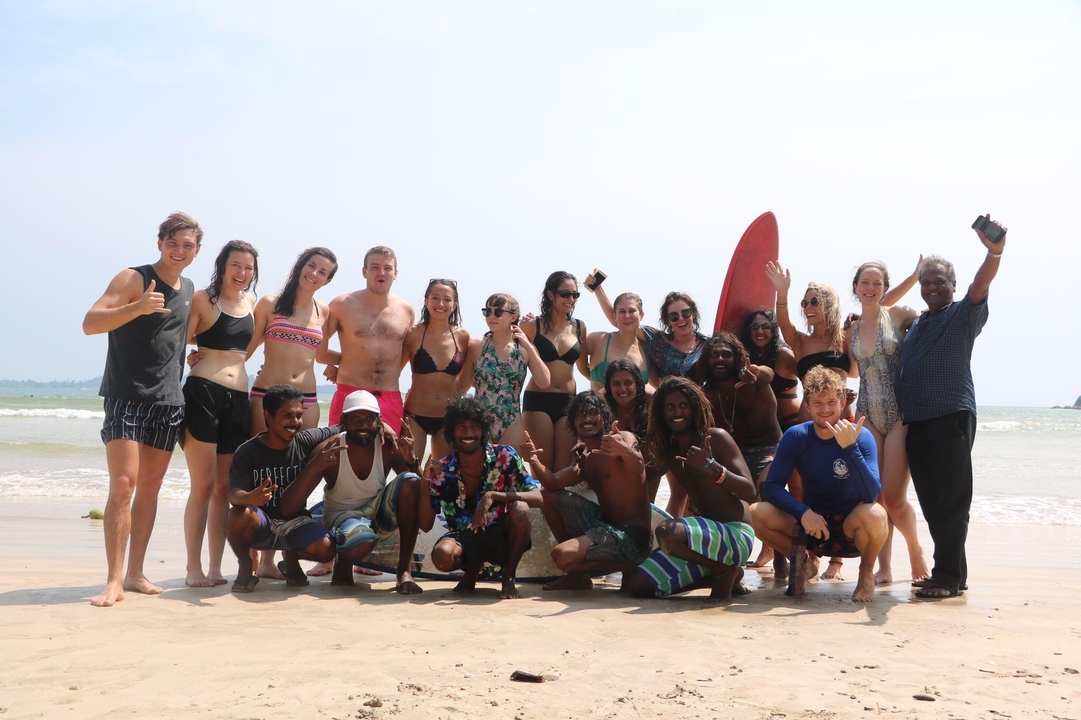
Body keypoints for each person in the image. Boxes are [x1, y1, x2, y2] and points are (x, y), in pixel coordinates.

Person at [82, 211, 202, 607]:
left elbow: (178, 337)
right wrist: (136, 307)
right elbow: (91, 322)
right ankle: (114, 580)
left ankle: (135, 573)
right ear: (160, 243)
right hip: (125, 394)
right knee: (123, 485)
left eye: (188, 245)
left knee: (150, 490)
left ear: (196, 250)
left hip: (169, 400)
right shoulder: (133, 278)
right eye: (173, 242)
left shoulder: (189, 288)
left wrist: (199, 358)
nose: (179, 250)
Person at [895, 216, 1006, 600]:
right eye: (926, 282)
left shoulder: (963, 314)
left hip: (950, 418)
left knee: (951, 501)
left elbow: (981, 285)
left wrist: (994, 251)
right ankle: (953, 573)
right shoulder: (918, 323)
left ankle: (945, 577)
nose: (931, 287)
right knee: (932, 502)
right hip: (917, 423)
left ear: (953, 286)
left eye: (938, 281)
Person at [752, 367, 888, 602]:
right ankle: (806, 564)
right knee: (755, 513)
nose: (825, 409)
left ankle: (865, 575)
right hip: (811, 526)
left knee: (876, 514)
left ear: (842, 402)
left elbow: (871, 493)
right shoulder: (796, 436)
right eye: (817, 403)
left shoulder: (861, 436)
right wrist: (803, 512)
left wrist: (850, 448)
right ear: (807, 406)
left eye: (831, 402)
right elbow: (772, 486)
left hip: (851, 528)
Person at [244, 246, 338, 580]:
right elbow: (248, 346)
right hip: (266, 397)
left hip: (307, 400)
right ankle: (259, 559)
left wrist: (351, 365)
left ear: (327, 280)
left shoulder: (322, 310)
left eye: (323, 272)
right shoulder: (270, 303)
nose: (315, 274)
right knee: (262, 476)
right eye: (311, 266)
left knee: (294, 479)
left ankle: (282, 555)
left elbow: (323, 354)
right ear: (300, 266)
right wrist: (206, 359)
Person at [622, 376, 758, 602]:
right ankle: (725, 573)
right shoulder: (669, 450)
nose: (677, 412)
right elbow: (639, 479)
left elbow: (750, 492)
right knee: (635, 585)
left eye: (683, 406)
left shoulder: (716, 438)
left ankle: (723, 571)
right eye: (670, 407)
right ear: (661, 413)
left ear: (695, 408)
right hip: (702, 543)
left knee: (667, 532)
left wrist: (713, 469)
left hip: (736, 535)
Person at [278, 390, 427, 594]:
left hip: (377, 515)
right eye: (355, 419)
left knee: (410, 480)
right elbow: (289, 506)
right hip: (342, 517)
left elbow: (420, 490)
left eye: (369, 419)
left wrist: (411, 461)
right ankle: (342, 560)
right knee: (360, 543)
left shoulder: (388, 447)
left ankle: (404, 571)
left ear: (379, 421)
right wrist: (314, 466)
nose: (363, 426)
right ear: (344, 422)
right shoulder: (330, 449)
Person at [766, 266, 853, 580]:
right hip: (806, 424)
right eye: (805, 303)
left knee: (842, 488)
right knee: (802, 491)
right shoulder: (800, 342)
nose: (808, 307)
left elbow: (876, 309)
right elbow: (783, 323)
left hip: (842, 426)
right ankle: (810, 554)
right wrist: (783, 292)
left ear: (829, 304)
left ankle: (838, 560)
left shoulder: (846, 338)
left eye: (814, 301)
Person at [845, 259, 929, 586]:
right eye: (865, 282)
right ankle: (884, 567)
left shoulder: (898, 315)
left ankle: (916, 551)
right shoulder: (849, 329)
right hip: (865, 414)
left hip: (898, 414)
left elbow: (933, 321)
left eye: (877, 283)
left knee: (894, 498)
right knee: (875, 498)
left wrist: (913, 278)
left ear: (885, 288)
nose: (870, 288)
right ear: (855, 287)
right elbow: (851, 373)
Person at [181, 240, 259, 588]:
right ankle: (192, 568)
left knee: (224, 487)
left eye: (248, 268)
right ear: (222, 266)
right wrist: (190, 355)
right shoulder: (202, 299)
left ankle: (215, 567)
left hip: (238, 399)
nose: (242, 274)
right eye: (236, 266)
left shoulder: (252, 302)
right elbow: (178, 337)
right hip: (204, 394)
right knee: (203, 485)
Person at [523, 391, 654, 592]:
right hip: (605, 526)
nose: (587, 419)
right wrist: (533, 460)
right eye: (580, 414)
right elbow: (552, 482)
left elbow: (638, 466)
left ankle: (632, 565)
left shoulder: (622, 439)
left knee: (562, 556)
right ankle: (578, 578)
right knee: (548, 497)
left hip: (633, 537)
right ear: (572, 422)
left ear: (604, 416)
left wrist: (626, 452)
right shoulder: (586, 459)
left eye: (593, 413)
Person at [423, 397, 543, 600]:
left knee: (520, 508)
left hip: (499, 535)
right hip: (464, 538)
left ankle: (509, 577)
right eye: (461, 427)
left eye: (475, 426)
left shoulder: (504, 455)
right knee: (442, 557)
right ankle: (472, 570)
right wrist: (424, 480)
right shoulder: (442, 469)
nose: (468, 433)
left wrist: (494, 495)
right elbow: (425, 525)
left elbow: (538, 497)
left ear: (484, 430)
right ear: (452, 431)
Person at [225, 384, 338, 592]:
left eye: (298, 415)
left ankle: (291, 559)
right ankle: (246, 565)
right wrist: (250, 497)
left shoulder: (304, 441)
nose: (295, 422)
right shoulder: (247, 451)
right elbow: (233, 493)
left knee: (327, 550)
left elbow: (342, 427)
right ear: (268, 416)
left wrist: (382, 427)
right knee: (236, 515)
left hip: (295, 522)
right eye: (287, 416)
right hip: (263, 525)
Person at [319, 245, 414, 433]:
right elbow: (319, 353)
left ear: (395, 273)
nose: (381, 272)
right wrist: (347, 360)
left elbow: (404, 354)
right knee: (341, 455)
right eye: (374, 267)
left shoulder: (407, 310)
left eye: (387, 268)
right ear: (364, 272)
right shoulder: (341, 305)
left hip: (389, 396)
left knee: (389, 456)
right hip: (350, 394)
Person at [458, 293, 550, 451]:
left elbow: (544, 382)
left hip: (512, 421)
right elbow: (461, 387)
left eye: (498, 312)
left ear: (513, 317)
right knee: (479, 472)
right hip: (479, 419)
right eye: (487, 312)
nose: (491, 316)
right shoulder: (476, 346)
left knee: (508, 472)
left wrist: (529, 347)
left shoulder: (525, 349)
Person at [522, 271, 588, 472]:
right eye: (565, 294)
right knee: (543, 470)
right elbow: (513, 364)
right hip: (538, 401)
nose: (571, 299)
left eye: (575, 295)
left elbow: (585, 368)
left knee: (564, 470)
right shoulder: (533, 325)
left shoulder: (579, 327)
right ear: (551, 295)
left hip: (568, 402)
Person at [696, 333, 781, 487]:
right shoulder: (707, 393)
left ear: (736, 359)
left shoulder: (753, 380)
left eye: (726, 354)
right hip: (736, 452)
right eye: (714, 355)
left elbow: (768, 374)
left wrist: (756, 372)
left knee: (767, 487)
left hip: (770, 448)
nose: (720, 359)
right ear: (707, 361)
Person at [402, 279, 470, 461]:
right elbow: (392, 370)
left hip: (447, 417)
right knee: (411, 473)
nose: (441, 304)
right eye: (435, 298)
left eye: (447, 299)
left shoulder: (462, 336)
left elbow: (469, 375)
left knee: (443, 477)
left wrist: (456, 399)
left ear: (455, 305)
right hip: (415, 415)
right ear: (426, 301)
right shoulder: (413, 334)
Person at [591, 280, 708, 380]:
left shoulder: (707, 345)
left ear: (693, 314)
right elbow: (624, 322)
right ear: (667, 320)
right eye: (674, 316)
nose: (681, 319)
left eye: (686, 313)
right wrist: (598, 289)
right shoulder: (658, 341)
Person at [580, 274, 652, 391]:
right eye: (622, 312)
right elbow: (566, 346)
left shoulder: (647, 349)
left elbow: (654, 387)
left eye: (632, 311)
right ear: (614, 316)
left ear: (641, 315)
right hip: (599, 407)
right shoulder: (597, 340)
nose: (627, 316)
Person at [740, 310, 800, 431]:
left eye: (765, 326)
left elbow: (810, 379)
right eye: (754, 327)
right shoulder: (747, 356)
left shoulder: (784, 355)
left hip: (792, 424)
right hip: (763, 431)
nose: (760, 331)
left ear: (774, 329)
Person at [602, 359, 648, 442]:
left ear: (637, 384)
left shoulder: (650, 399)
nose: (623, 389)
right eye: (616, 384)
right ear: (609, 387)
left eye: (628, 383)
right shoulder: (601, 403)